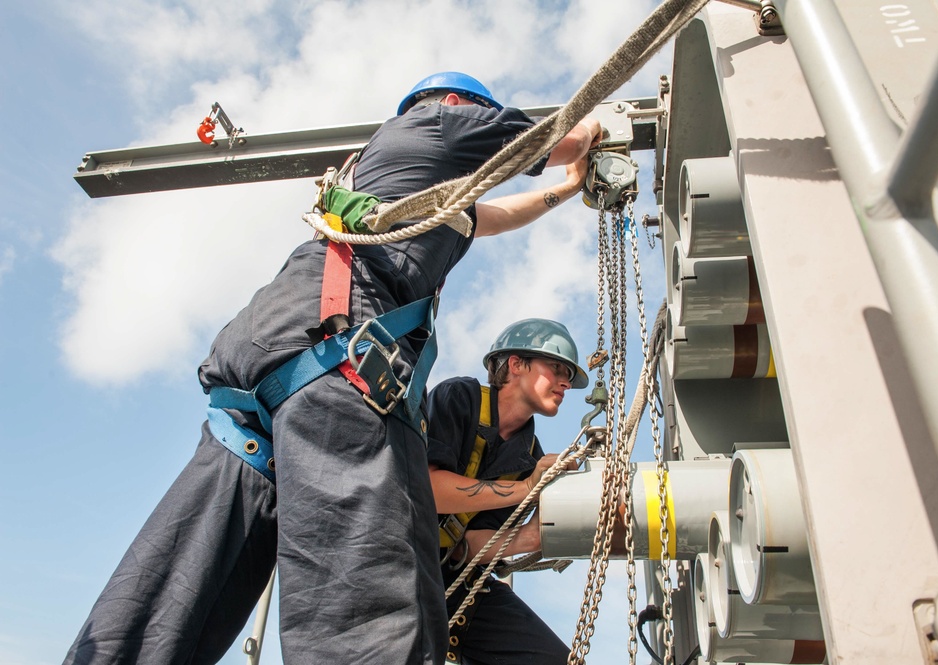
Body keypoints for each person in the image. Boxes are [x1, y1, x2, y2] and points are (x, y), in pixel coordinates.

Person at [64, 72, 602, 665]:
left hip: (266, 356)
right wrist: (599, 133)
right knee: (366, 613)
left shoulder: (390, 183)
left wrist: (566, 191)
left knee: (173, 595)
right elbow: (553, 139)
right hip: (343, 357)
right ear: (457, 106)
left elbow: (492, 214)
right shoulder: (441, 121)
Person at [426, 318, 589, 665]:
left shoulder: (530, 456)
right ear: (515, 364)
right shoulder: (460, 399)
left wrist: (533, 536)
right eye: (557, 367)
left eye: (569, 377)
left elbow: (466, 547)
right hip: (401, 564)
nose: (566, 383)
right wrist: (526, 488)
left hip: (458, 586)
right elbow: (431, 490)